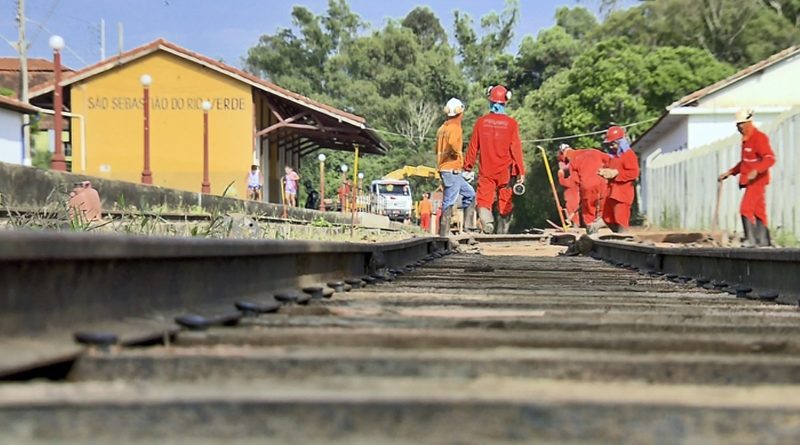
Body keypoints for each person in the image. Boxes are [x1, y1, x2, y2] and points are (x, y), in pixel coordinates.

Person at [464, 86, 525, 234]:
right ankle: (503, 232)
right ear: (505, 101)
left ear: (490, 100)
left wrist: (467, 167)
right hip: (505, 172)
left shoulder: (481, 122)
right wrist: (521, 172)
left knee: (484, 201)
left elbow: (473, 147)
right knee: (506, 202)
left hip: (486, 171)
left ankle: (487, 222)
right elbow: (516, 149)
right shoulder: (511, 124)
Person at [718, 109, 776, 247]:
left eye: (741, 125)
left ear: (748, 123)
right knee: (759, 212)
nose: (739, 128)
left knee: (746, 209)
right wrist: (730, 172)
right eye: (738, 125)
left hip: (757, 182)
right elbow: (745, 162)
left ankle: (751, 240)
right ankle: (763, 241)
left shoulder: (759, 138)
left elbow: (770, 159)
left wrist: (757, 170)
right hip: (748, 181)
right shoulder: (746, 141)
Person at [435, 97, 476, 236]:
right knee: (449, 200)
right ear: (460, 113)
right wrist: (457, 154)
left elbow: (437, 149)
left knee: (470, 194)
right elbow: (453, 143)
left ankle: (468, 228)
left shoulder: (442, 128)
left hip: (448, 170)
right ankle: (444, 234)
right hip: (452, 170)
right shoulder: (455, 128)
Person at [598, 125, 640, 233]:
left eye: (613, 144)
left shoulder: (629, 155)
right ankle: (617, 237)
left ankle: (624, 239)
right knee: (607, 217)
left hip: (622, 194)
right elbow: (610, 170)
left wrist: (616, 173)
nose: (611, 147)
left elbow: (634, 173)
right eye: (610, 144)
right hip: (611, 193)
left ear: (621, 142)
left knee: (620, 219)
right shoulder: (613, 157)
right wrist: (604, 172)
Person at [557, 143, 581, 227]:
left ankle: (575, 225)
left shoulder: (571, 156)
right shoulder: (565, 160)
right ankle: (574, 223)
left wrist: (560, 174)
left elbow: (565, 182)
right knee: (573, 207)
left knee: (572, 206)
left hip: (572, 189)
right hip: (574, 187)